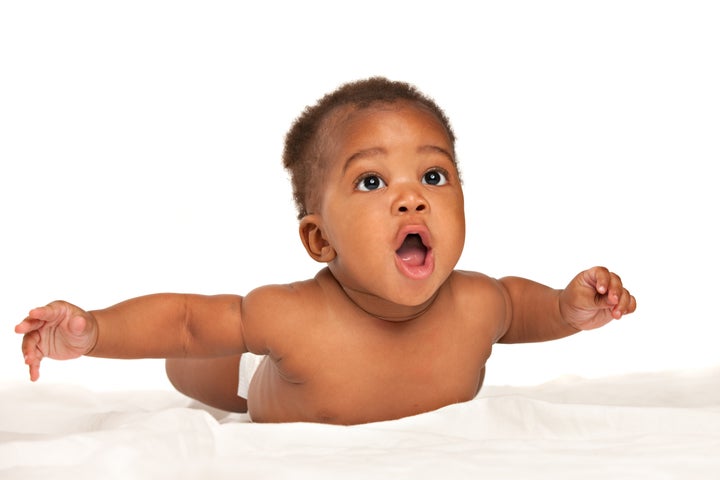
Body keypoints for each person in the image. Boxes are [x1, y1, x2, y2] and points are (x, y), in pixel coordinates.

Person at [15, 77, 636, 425]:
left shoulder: (478, 301)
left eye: (434, 177)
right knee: (195, 355)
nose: (411, 200)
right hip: (257, 373)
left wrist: (567, 306)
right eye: (372, 182)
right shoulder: (291, 317)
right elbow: (184, 321)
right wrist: (93, 331)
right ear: (320, 239)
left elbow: (523, 311)